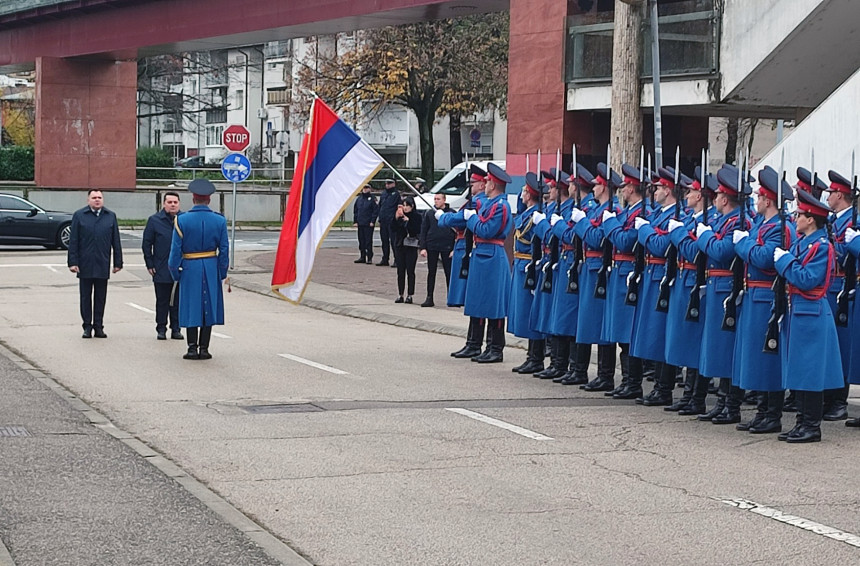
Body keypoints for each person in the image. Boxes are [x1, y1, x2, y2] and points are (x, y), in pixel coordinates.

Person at [773, 188, 843, 443]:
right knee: (800, 370)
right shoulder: (805, 243)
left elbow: (807, 279)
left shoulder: (821, 247)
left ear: (811, 218)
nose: (795, 218)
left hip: (811, 312)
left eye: (799, 215)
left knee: (810, 371)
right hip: (801, 311)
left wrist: (785, 262)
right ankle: (802, 422)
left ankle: (811, 426)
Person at [168, 179, 229, 360]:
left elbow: (174, 252)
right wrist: (221, 272)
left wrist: (175, 272)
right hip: (210, 265)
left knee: (191, 306)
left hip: (189, 267)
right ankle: (204, 348)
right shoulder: (219, 220)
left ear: (193, 199)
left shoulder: (181, 220)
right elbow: (224, 250)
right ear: (209, 200)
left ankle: (192, 347)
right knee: (208, 305)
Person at [461, 162, 513, 363]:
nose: (487, 183)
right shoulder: (490, 204)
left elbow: (486, 230)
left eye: (489, 181)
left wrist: (472, 219)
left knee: (495, 305)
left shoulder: (501, 206)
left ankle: (495, 348)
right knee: (481, 301)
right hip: (482, 254)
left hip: (493, 254)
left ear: (494, 185)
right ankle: (477, 345)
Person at [67, 189, 123, 339]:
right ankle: (87, 326)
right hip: (84, 263)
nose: (97, 200)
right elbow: (73, 241)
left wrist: (118, 262)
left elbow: (115, 241)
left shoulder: (110, 216)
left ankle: (98, 326)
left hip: (102, 262)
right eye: (94, 198)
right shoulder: (80, 215)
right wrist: (72, 262)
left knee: (100, 297)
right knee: (85, 297)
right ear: (88, 200)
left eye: (99, 197)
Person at [142, 191, 183, 341]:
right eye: (169, 202)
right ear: (164, 204)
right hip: (161, 267)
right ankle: (161, 328)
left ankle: (176, 329)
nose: (172, 205)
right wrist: (150, 263)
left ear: (179, 204)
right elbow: (147, 244)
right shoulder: (154, 220)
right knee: (162, 300)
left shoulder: (184, 219)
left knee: (178, 301)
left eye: (175, 202)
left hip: (180, 268)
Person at [418, 193, 455, 307]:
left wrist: (454, 248)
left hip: (447, 246)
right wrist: (423, 247)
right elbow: (423, 230)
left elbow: (457, 232)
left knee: (449, 273)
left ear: (444, 200)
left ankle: (451, 298)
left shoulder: (451, 213)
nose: (436, 201)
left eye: (438, 199)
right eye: (435, 199)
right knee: (431, 272)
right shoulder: (430, 213)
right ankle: (429, 297)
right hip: (432, 245)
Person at [393, 196, 422, 304]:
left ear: (412, 206)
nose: (405, 208)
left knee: (410, 270)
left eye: (407, 206)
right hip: (400, 245)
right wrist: (396, 218)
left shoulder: (416, 216)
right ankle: (400, 294)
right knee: (400, 271)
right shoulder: (400, 216)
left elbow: (416, 229)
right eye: (403, 206)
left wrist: (408, 221)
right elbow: (393, 229)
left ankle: (410, 294)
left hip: (411, 246)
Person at [376, 179, 402, 267]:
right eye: (386, 183)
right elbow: (380, 206)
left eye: (389, 183)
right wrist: (379, 218)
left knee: (394, 241)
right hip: (383, 220)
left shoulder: (396, 194)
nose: (387, 185)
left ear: (394, 184)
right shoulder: (383, 194)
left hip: (392, 221)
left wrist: (396, 219)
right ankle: (385, 259)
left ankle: (397, 260)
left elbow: (398, 207)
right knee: (384, 241)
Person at [353, 183, 379, 264]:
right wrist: (355, 221)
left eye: (367, 187)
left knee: (368, 241)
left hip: (368, 223)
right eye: (364, 187)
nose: (365, 189)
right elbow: (356, 211)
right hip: (360, 223)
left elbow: (375, 211)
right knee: (361, 241)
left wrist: (372, 221)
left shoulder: (372, 199)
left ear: (370, 189)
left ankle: (369, 257)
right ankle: (362, 256)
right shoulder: (359, 199)